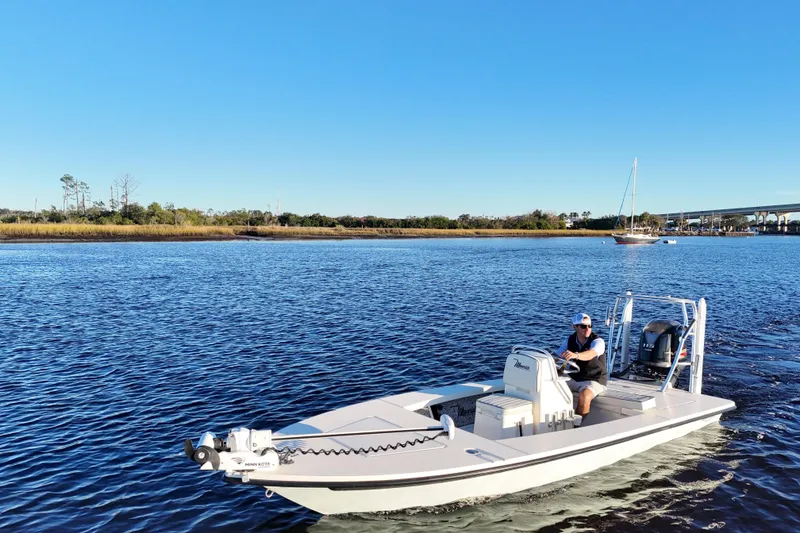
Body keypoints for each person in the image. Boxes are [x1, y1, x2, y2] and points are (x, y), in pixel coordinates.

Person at [555, 312, 608, 418]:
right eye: (583, 326)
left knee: (585, 396)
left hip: (594, 378)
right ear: (575, 327)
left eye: (590, 326)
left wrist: (576, 355)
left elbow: (591, 354)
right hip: (575, 376)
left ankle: (576, 426)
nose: (587, 329)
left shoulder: (598, 341)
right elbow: (557, 355)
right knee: (550, 386)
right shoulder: (569, 340)